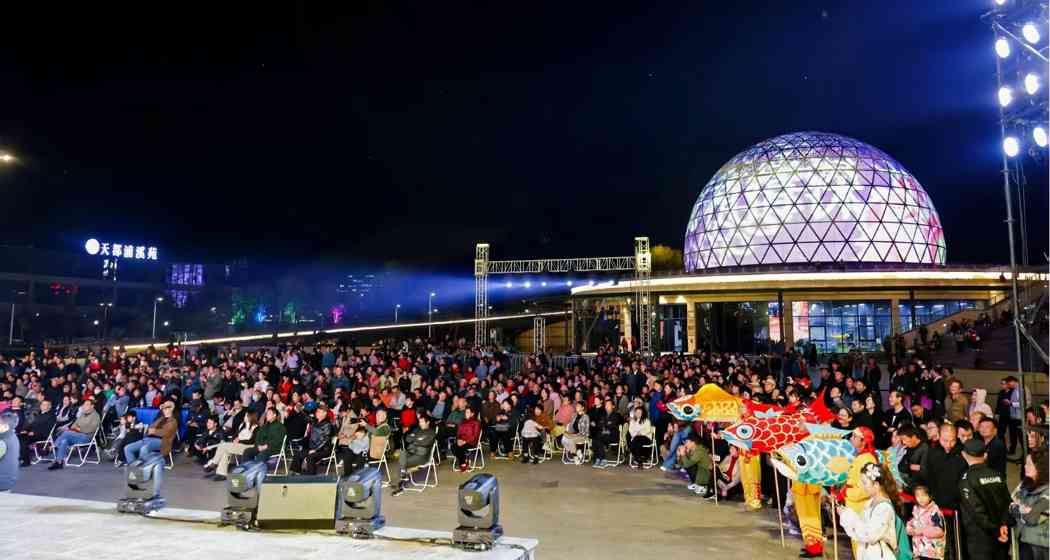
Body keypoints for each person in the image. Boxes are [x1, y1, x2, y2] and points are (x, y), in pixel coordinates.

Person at [958, 438, 1011, 560]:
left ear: (963, 455)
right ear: (985, 455)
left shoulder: (966, 479)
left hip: (980, 538)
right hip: (1002, 534)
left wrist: (995, 530)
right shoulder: (997, 475)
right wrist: (1003, 524)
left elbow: (977, 512)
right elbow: (1007, 502)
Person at [837, 462, 902, 560]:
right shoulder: (870, 503)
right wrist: (846, 515)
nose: (862, 486)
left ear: (876, 485)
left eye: (864, 483)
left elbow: (870, 535)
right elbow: (859, 532)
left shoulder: (884, 508)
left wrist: (849, 516)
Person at [1009, 450, 1049, 560]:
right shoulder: (1025, 483)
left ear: (1040, 468)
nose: (1025, 467)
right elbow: (1011, 502)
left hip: (1041, 545)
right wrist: (1024, 510)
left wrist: (1018, 509)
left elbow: (1032, 517)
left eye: (1029, 464)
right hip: (1023, 538)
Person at [390, 413, 437, 496]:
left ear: (427, 422)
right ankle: (402, 477)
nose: (420, 424)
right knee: (403, 453)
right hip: (411, 452)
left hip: (422, 456)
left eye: (422, 422)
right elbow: (407, 438)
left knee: (402, 462)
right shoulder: (417, 430)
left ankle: (399, 485)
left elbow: (425, 443)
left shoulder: (431, 432)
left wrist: (415, 439)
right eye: (419, 422)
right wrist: (418, 439)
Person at [204, 410, 258, 481]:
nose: (244, 417)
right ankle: (221, 474)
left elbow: (252, 440)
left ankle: (214, 463)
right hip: (238, 445)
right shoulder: (242, 425)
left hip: (248, 447)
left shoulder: (256, 427)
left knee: (223, 446)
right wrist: (234, 439)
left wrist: (240, 441)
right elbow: (235, 435)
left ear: (250, 417)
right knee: (225, 451)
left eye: (246, 415)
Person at [122, 400, 178, 466]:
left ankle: (145, 464)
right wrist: (152, 430)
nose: (163, 410)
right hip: (148, 439)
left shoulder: (173, 421)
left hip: (162, 441)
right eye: (163, 408)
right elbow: (150, 427)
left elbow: (166, 432)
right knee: (127, 448)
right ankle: (134, 464)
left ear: (171, 409)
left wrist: (153, 431)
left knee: (144, 449)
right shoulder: (160, 419)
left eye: (166, 408)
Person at [49, 400, 100, 470]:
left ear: (92, 406)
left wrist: (79, 429)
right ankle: (59, 462)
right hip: (76, 436)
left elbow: (91, 429)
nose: (84, 406)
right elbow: (73, 426)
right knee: (64, 441)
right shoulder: (82, 414)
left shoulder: (96, 416)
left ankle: (54, 446)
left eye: (87, 404)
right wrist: (78, 428)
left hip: (86, 437)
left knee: (66, 433)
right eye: (84, 404)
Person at [907, 485, 947, 560]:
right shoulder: (916, 510)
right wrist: (909, 528)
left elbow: (939, 531)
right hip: (918, 551)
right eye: (917, 495)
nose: (920, 498)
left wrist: (921, 531)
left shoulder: (934, 511)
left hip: (932, 553)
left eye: (923, 495)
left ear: (929, 496)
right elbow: (912, 521)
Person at [17, 399, 54, 467]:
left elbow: (47, 429)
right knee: (18, 437)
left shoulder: (51, 416)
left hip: (42, 435)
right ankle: (20, 457)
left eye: (45, 405)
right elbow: (32, 425)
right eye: (42, 404)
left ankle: (26, 461)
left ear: (49, 407)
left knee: (24, 440)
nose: (42, 406)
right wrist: (25, 430)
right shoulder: (39, 414)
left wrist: (34, 432)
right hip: (33, 434)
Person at [298, 405, 334, 475]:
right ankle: (297, 473)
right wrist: (300, 410)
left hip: (324, 449)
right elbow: (307, 417)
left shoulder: (327, 425)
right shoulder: (315, 421)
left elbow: (325, 440)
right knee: (298, 454)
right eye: (317, 411)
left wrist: (316, 450)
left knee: (310, 457)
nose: (316, 413)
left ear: (324, 413)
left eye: (319, 412)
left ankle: (311, 477)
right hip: (313, 447)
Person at [591, 399, 622, 469]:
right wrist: (605, 426)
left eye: (608, 404)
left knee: (599, 439)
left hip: (613, 435)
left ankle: (602, 459)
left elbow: (612, 426)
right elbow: (599, 425)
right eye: (606, 405)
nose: (606, 406)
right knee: (595, 438)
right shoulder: (603, 415)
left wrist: (605, 426)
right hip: (603, 434)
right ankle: (599, 459)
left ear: (613, 406)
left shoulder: (616, 415)